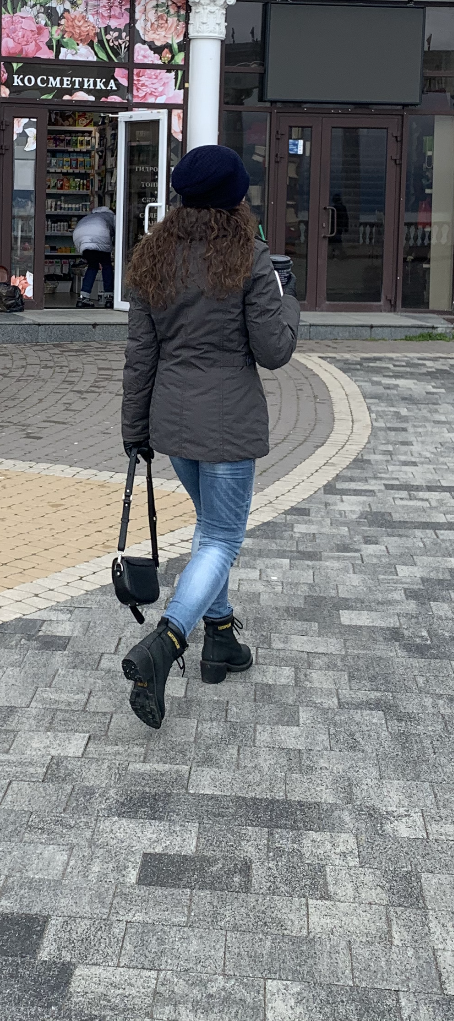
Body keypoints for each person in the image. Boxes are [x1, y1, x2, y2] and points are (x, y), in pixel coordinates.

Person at [120, 145, 299, 729]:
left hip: (172, 423)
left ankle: (220, 637)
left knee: (209, 529)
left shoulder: (152, 255)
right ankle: (167, 642)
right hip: (228, 425)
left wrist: (134, 430)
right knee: (221, 537)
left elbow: (140, 355)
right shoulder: (249, 257)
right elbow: (274, 350)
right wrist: (289, 299)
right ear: (234, 200)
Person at [73, 206, 116, 307]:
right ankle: (109, 297)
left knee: (92, 266)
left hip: (79, 237)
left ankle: (83, 297)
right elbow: (118, 232)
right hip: (100, 235)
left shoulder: (90, 216)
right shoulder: (112, 216)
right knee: (106, 265)